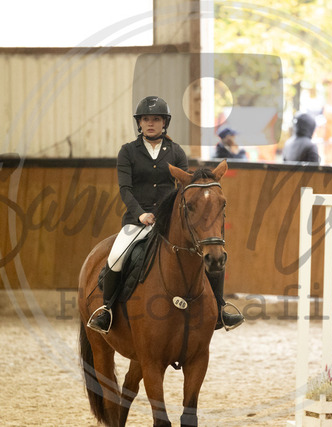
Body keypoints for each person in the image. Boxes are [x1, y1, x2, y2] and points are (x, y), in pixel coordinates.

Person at [87, 96, 244, 334]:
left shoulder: (176, 152)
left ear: (164, 123)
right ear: (139, 123)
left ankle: (221, 308)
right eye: (146, 119)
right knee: (116, 256)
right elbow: (125, 189)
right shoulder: (128, 151)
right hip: (137, 221)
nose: (150, 123)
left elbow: (186, 189)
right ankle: (107, 310)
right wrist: (140, 214)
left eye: (156, 119)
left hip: (169, 222)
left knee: (212, 252)